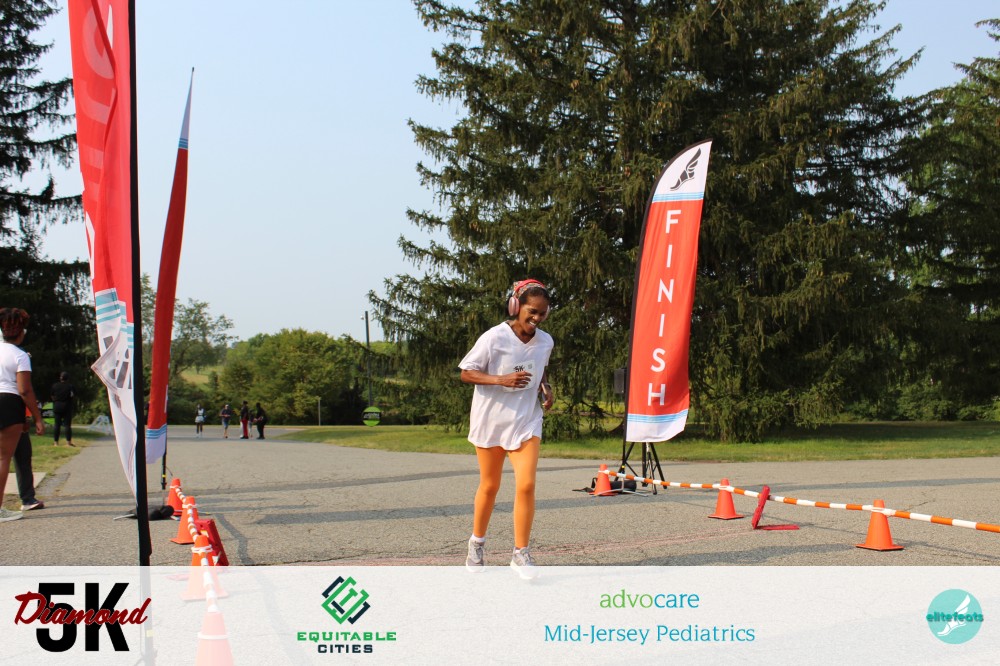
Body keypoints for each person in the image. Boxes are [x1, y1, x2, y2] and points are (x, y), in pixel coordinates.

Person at [458, 280, 554, 579]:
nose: (537, 318)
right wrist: (501, 379)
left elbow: (540, 369)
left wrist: (545, 387)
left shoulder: (546, 342)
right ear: (516, 306)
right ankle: (477, 543)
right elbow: (466, 373)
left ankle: (520, 553)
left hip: (526, 420)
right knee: (490, 486)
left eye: (542, 313)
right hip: (491, 421)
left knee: (526, 484)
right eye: (531, 311)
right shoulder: (493, 337)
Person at [0, 308, 45, 523]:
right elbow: (24, 390)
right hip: (8, 403)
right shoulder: (20, 355)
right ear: (21, 333)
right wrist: (37, 418)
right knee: (3, 458)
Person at [13, 410, 44, 511]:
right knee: (19, 456)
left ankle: (28, 499)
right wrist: (37, 419)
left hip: (15, 415)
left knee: (22, 455)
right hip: (12, 415)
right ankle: (27, 499)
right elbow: (26, 398)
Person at [50, 371, 75, 447]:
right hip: (67, 407)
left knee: (57, 425)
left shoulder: (55, 386)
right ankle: (68, 442)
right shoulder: (70, 386)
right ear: (67, 378)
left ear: (60, 378)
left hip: (57, 406)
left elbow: (52, 395)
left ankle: (56, 442)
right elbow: (72, 395)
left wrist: (55, 401)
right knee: (67, 425)